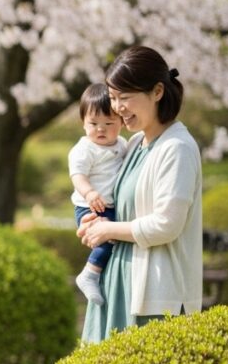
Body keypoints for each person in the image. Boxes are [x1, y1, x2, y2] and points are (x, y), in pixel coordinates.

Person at [78, 46, 202, 343]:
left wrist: (108, 230)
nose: (117, 107)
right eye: (113, 98)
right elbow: (119, 207)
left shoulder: (177, 148)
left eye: (125, 97)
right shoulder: (133, 144)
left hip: (155, 295)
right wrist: (94, 223)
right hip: (118, 283)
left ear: (157, 91)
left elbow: (166, 225)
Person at [68, 84, 127, 305]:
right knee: (107, 238)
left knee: (112, 238)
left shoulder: (122, 145)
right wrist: (90, 193)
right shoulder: (84, 149)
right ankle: (89, 274)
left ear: (121, 122)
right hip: (89, 206)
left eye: (109, 123)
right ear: (83, 123)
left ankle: (95, 274)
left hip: (109, 205)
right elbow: (78, 175)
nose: (100, 129)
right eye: (93, 124)